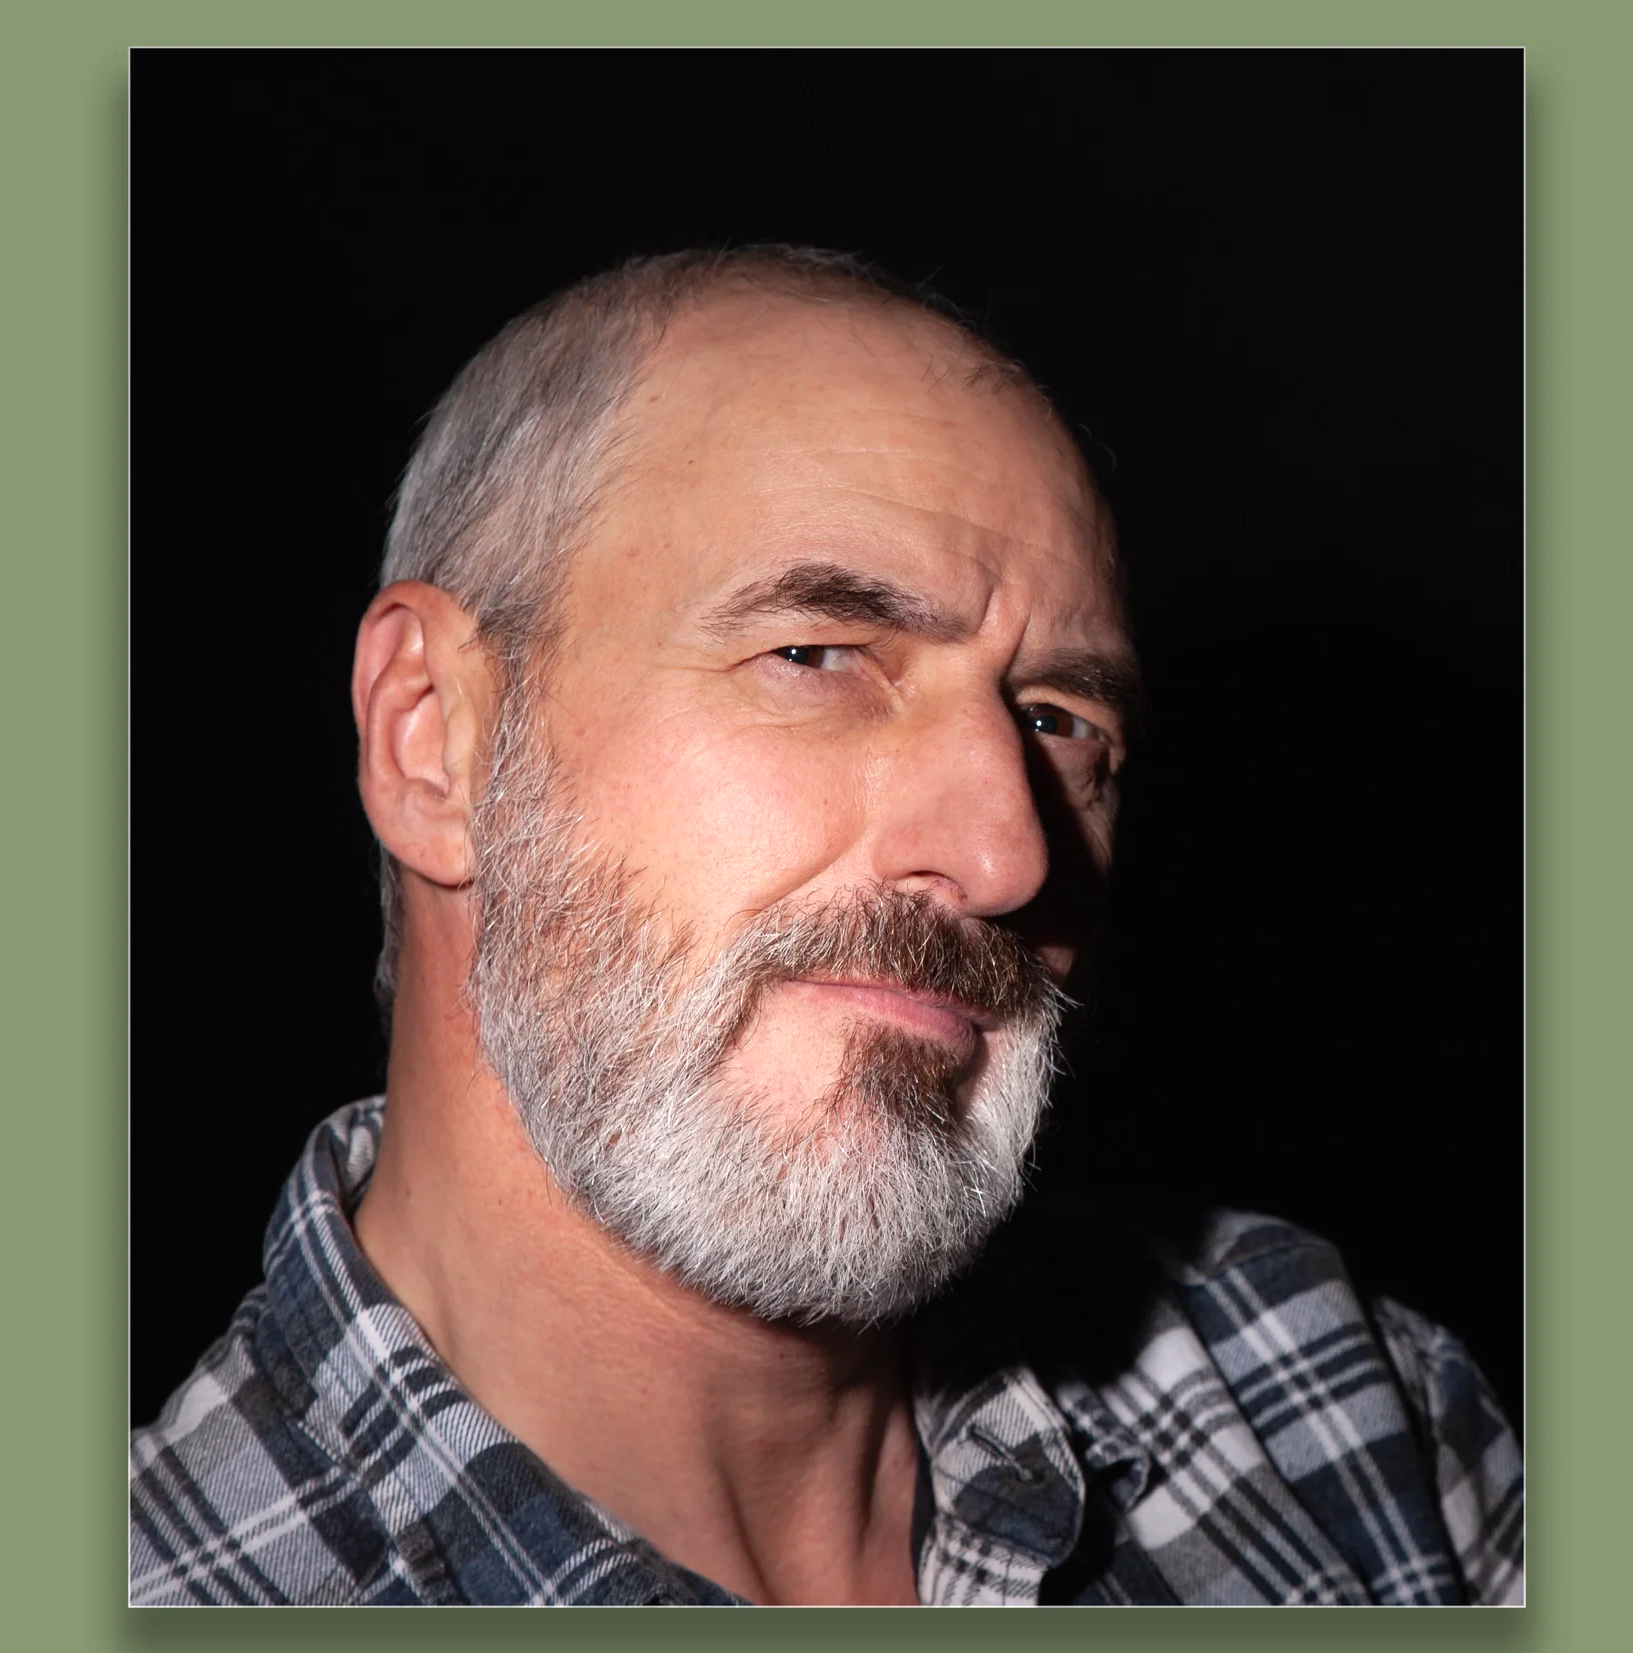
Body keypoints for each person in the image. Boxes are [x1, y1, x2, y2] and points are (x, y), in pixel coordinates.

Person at [129, 247, 1523, 1607]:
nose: (1004, 854)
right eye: (819, 656)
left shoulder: (1329, 1401)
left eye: (1058, 722)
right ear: (434, 740)